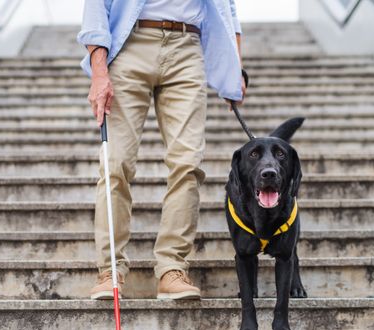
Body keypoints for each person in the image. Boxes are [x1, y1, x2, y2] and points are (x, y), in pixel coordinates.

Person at [78, 0, 247, 300]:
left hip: (188, 46)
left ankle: (172, 268)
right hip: (130, 43)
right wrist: (99, 71)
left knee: (188, 162)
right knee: (115, 162)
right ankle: (110, 270)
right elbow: (96, 6)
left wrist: (235, 67)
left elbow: (228, 8)